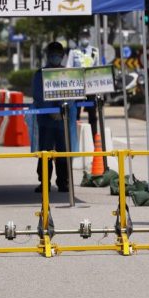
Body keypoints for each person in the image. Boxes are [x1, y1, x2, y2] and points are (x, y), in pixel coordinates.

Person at [32, 42, 69, 192]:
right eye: (53, 54)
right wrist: (50, 112)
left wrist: (62, 112)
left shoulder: (68, 73)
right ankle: (44, 182)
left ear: (62, 56)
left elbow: (72, 94)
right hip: (46, 121)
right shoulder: (40, 74)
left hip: (62, 121)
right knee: (45, 153)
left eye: (58, 55)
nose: (55, 57)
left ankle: (63, 182)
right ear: (48, 56)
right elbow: (38, 96)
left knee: (63, 153)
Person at [66, 28, 100, 135]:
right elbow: (68, 67)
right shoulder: (74, 52)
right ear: (79, 37)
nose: (84, 38)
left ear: (89, 37)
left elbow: (97, 69)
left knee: (92, 114)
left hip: (91, 87)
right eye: (82, 36)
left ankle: (93, 137)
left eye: (86, 36)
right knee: (75, 113)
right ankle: (74, 137)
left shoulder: (95, 51)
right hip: (77, 87)